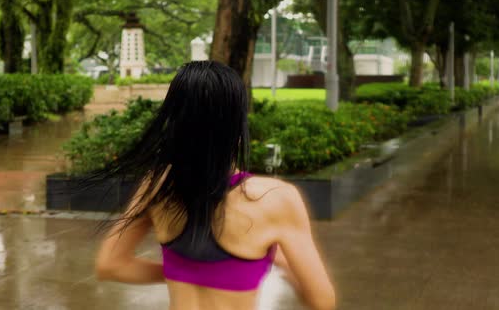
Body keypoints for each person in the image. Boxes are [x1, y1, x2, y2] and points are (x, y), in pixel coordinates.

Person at [94, 61, 335, 310]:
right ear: (237, 124)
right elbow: (322, 301)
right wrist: (280, 264)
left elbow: (111, 265)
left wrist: (177, 271)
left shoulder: (157, 185)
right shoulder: (275, 199)